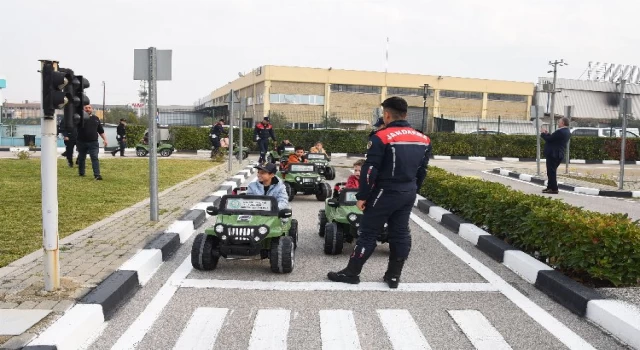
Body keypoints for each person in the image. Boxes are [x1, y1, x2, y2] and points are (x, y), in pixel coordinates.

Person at [328, 96, 431, 289]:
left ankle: (352, 273)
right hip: (408, 191)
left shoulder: (381, 137)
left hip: (385, 192)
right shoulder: (423, 138)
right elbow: (422, 170)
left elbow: (369, 170)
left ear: (386, 114)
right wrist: (414, 189)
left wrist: (362, 196)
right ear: (406, 114)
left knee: (367, 233)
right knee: (400, 233)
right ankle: (393, 277)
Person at [76, 105, 108, 180]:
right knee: (81, 158)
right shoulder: (79, 118)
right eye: (86, 108)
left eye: (89, 108)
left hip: (93, 142)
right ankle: (81, 173)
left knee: (94, 157)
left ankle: (97, 175)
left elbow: (100, 131)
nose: (87, 109)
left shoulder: (96, 118)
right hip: (81, 142)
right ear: (83, 109)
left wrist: (105, 139)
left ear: (92, 109)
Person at [541, 117, 571, 194]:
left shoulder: (560, 132)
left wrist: (543, 134)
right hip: (558, 154)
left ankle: (554, 189)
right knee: (551, 172)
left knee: (551, 172)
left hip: (553, 154)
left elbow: (549, 139)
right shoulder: (567, 131)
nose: (558, 123)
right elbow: (553, 138)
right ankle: (550, 187)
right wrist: (547, 134)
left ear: (563, 123)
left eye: (559, 122)